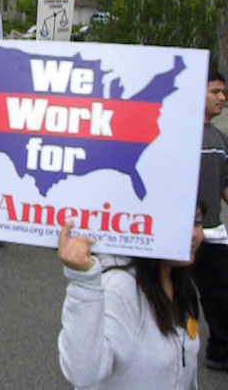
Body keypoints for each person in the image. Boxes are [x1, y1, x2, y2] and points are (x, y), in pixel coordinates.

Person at [57, 212, 205, 389]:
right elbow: (82, 372)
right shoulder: (119, 288)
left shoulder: (182, 284)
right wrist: (83, 283)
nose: (195, 234)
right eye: (183, 222)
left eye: (197, 223)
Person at [194, 68, 228, 371]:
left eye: (223, 92)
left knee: (220, 297)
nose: (222, 98)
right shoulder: (178, 132)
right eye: (215, 91)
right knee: (180, 299)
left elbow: (225, 185)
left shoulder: (220, 138)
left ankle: (220, 352)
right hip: (183, 237)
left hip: (216, 235)